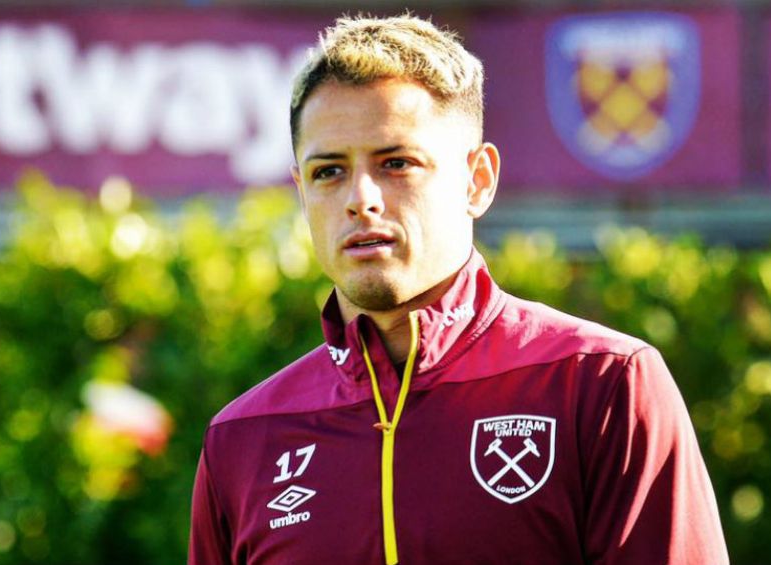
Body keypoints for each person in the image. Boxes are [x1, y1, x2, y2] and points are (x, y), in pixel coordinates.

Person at [188, 14, 728, 565]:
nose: (361, 198)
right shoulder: (242, 438)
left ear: (478, 180)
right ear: (301, 192)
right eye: (328, 171)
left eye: (397, 163)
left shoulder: (603, 381)